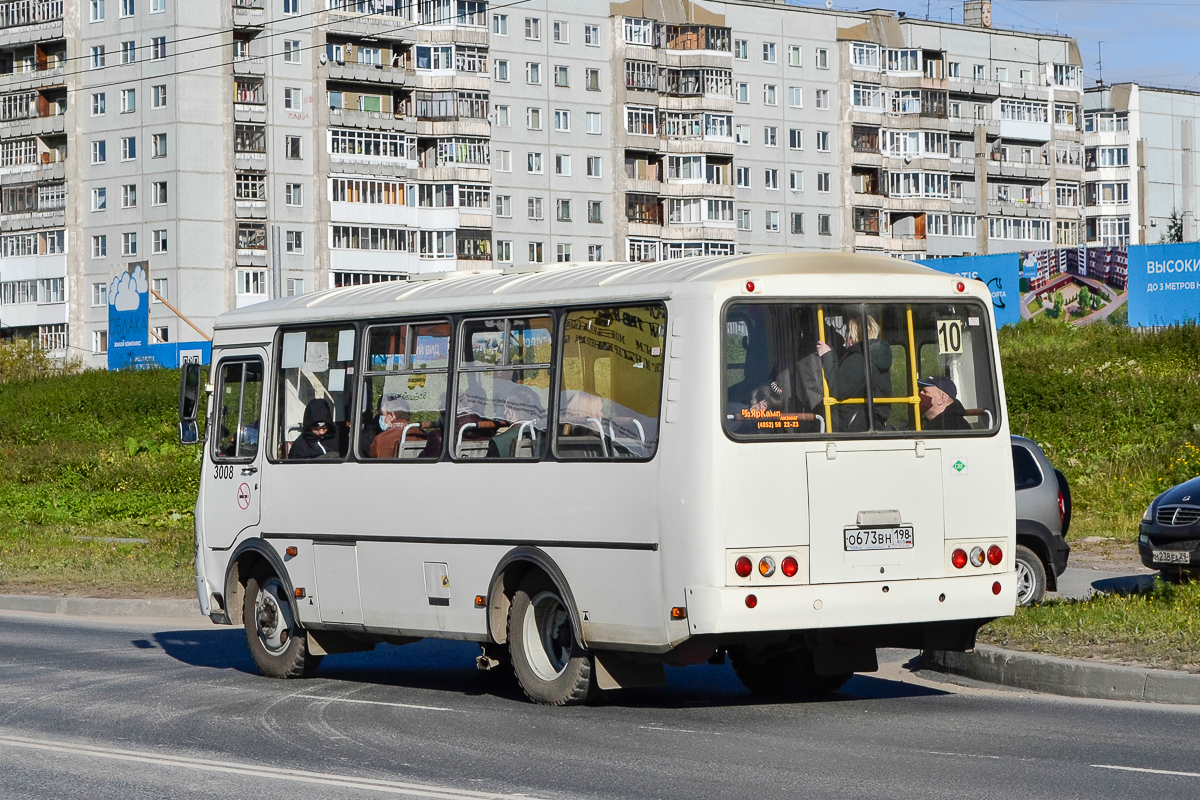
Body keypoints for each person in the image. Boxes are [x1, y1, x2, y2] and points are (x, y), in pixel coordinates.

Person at [816, 314, 892, 432]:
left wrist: (827, 357)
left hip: (853, 426)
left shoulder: (858, 357)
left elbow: (839, 390)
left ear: (853, 334)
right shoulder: (876, 356)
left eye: (847, 331)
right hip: (871, 423)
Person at [487, 384, 544, 458]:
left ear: (510, 413)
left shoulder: (499, 442)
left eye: (505, 410)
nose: (504, 413)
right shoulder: (542, 435)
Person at [369, 394, 426, 458]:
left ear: (392, 415)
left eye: (382, 414)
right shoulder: (422, 435)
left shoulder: (380, 440)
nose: (380, 418)